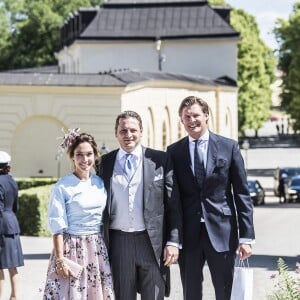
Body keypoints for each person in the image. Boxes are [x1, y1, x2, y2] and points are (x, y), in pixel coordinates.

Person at [167, 96, 255, 300]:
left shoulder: (228, 146)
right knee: (191, 293)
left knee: (225, 291)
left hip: (223, 232)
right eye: (186, 117)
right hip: (189, 234)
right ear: (181, 120)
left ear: (206, 115)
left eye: (196, 115)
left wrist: (246, 237)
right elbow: (173, 199)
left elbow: (242, 193)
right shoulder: (174, 151)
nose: (192, 120)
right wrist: (172, 239)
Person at [97, 111, 182, 300]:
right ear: (116, 133)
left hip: (152, 243)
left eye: (133, 130)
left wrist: (173, 242)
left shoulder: (160, 160)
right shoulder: (104, 163)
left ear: (141, 131)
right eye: (123, 130)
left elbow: (173, 205)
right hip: (119, 243)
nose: (128, 135)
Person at [43, 129, 114, 299]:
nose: (85, 159)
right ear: (72, 157)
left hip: (96, 247)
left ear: (95, 155)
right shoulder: (62, 186)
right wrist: (60, 260)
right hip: (71, 249)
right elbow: (57, 226)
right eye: (79, 154)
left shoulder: (99, 183)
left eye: (89, 154)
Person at [0, 151, 24, 300]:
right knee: (12, 265)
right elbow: (15, 206)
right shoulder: (11, 180)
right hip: (12, 224)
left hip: (1, 227)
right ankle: (14, 296)